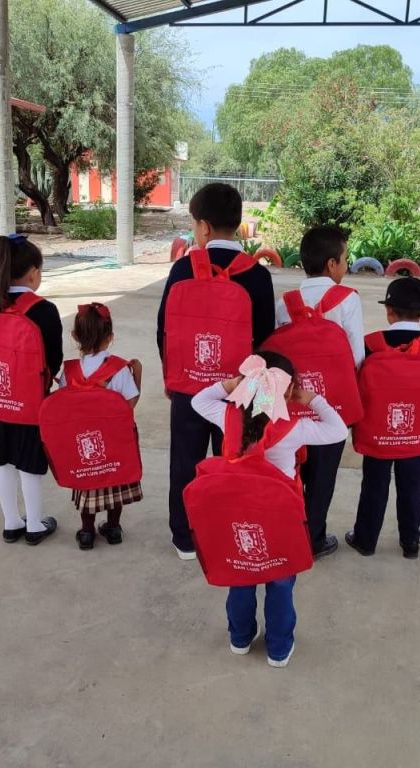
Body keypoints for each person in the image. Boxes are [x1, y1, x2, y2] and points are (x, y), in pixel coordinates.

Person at [191, 352, 347, 667]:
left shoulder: (227, 416)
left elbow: (198, 401)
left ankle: (240, 638)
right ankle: (278, 648)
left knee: (241, 573)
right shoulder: (295, 428)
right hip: (280, 516)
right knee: (280, 580)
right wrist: (312, 399)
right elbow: (339, 430)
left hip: (236, 511)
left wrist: (229, 385)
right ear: (288, 392)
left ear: (245, 384)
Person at [156, 183, 276, 560]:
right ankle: (229, 529)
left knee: (185, 463)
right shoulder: (257, 276)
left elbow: (164, 330)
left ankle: (185, 537)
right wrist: (263, 400)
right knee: (235, 461)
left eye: (194, 224)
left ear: (204, 227)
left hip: (189, 388)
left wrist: (173, 377)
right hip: (240, 392)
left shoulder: (182, 269)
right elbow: (267, 342)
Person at [274, 225, 364, 559]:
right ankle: (313, 540)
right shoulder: (348, 299)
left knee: (291, 468)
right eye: (345, 259)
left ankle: (287, 530)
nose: (346, 265)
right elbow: (357, 355)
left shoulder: (285, 303)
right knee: (323, 476)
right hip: (332, 404)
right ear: (331, 264)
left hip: (291, 402)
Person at [0, 235, 63, 545]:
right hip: (30, 403)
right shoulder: (44, 310)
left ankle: (12, 523)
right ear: (33, 274)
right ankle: (35, 525)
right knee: (30, 464)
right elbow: (54, 359)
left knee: (4, 461)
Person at [346, 277, 420, 559]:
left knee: (373, 486)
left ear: (388, 311)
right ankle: (410, 543)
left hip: (377, 431)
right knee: (411, 487)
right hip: (415, 433)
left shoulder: (371, 344)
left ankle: (365, 540)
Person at [63, 302, 143, 550]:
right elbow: (130, 405)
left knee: (87, 481)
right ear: (110, 338)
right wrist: (137, 374)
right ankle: (114, 528)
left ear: (75, 336)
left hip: (84, 440)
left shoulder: (69, 372)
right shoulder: (120, 369)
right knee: (116, 478)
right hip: (115, 439)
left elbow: (63, 407)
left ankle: (87, 532)